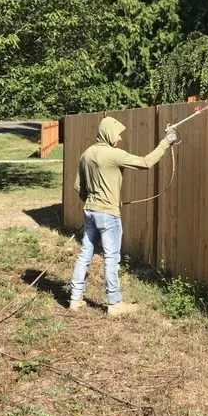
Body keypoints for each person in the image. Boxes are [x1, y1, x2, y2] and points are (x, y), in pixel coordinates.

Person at [69, 116, 178, 316]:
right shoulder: (113, 154)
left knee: (85, 253)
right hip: (108, 215)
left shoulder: (86, 154)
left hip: (90, 212)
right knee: (111, 257)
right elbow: (145, 163)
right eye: (117, 134)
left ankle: (75, 299)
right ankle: (115, 304)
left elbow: (79, 187)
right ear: (108, 133)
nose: (119, 138)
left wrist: (94, 202)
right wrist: (166, 142)